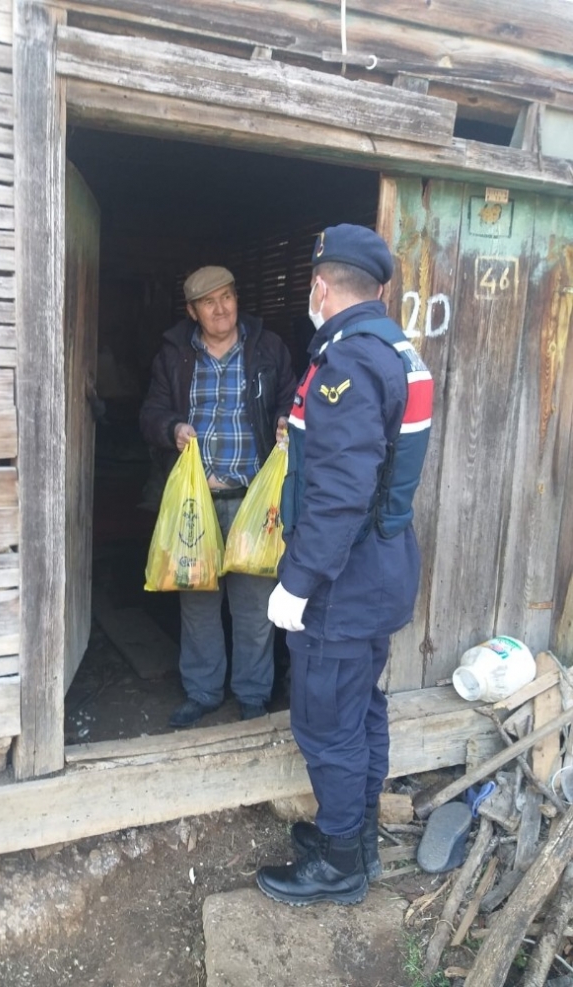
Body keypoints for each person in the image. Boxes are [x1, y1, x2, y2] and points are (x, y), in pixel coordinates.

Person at [256, 225, 434, 906]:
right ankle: (353, 835)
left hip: (343, 581)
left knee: (328, 720)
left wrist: (296, 584)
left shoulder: (349, 364)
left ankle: (338, 865)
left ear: (321, 287)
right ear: (380, 289)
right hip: (381, 568)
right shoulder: (395, 351)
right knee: (362, 710)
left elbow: (338, 495)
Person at [140, 265, 296, 728]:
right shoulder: (173, 355)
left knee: (254, 607)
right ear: (192, 311)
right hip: (197, 503)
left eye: (227, 296)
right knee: (199, 604)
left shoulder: (267, 347)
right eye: (209, 302)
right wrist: (172, 429)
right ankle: (204, 692)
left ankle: (252, 694)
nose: (221, 308)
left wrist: (287, 418)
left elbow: (293, 395)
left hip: (253, 500)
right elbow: (150, 412)